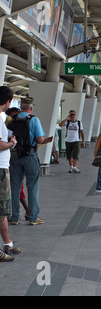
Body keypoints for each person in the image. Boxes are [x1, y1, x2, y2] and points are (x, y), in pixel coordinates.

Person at [9, 96, 53, 226]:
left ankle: (15, 217)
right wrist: (45, 140)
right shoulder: (34, 120)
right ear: (31, 108)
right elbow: (39, 140)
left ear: (21, 106)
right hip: (30, 156)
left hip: (15, 156)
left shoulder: (13, 120)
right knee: (32, 187)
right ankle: (33, 217)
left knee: (15, 187)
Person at [0, 86, 20, 261]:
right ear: (8, 102)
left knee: (3, 210)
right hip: (0, 169)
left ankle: (8, 243)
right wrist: (11, 142)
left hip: (2, 168)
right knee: (1, 210)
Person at [5, 107, 29, 222]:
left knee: (18, 188)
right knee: (16, 188)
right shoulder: (7, 125)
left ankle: (21, 213)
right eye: (14, 115)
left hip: (14, 160)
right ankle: (21, 213)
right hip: (10, 160)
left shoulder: (19, 125)